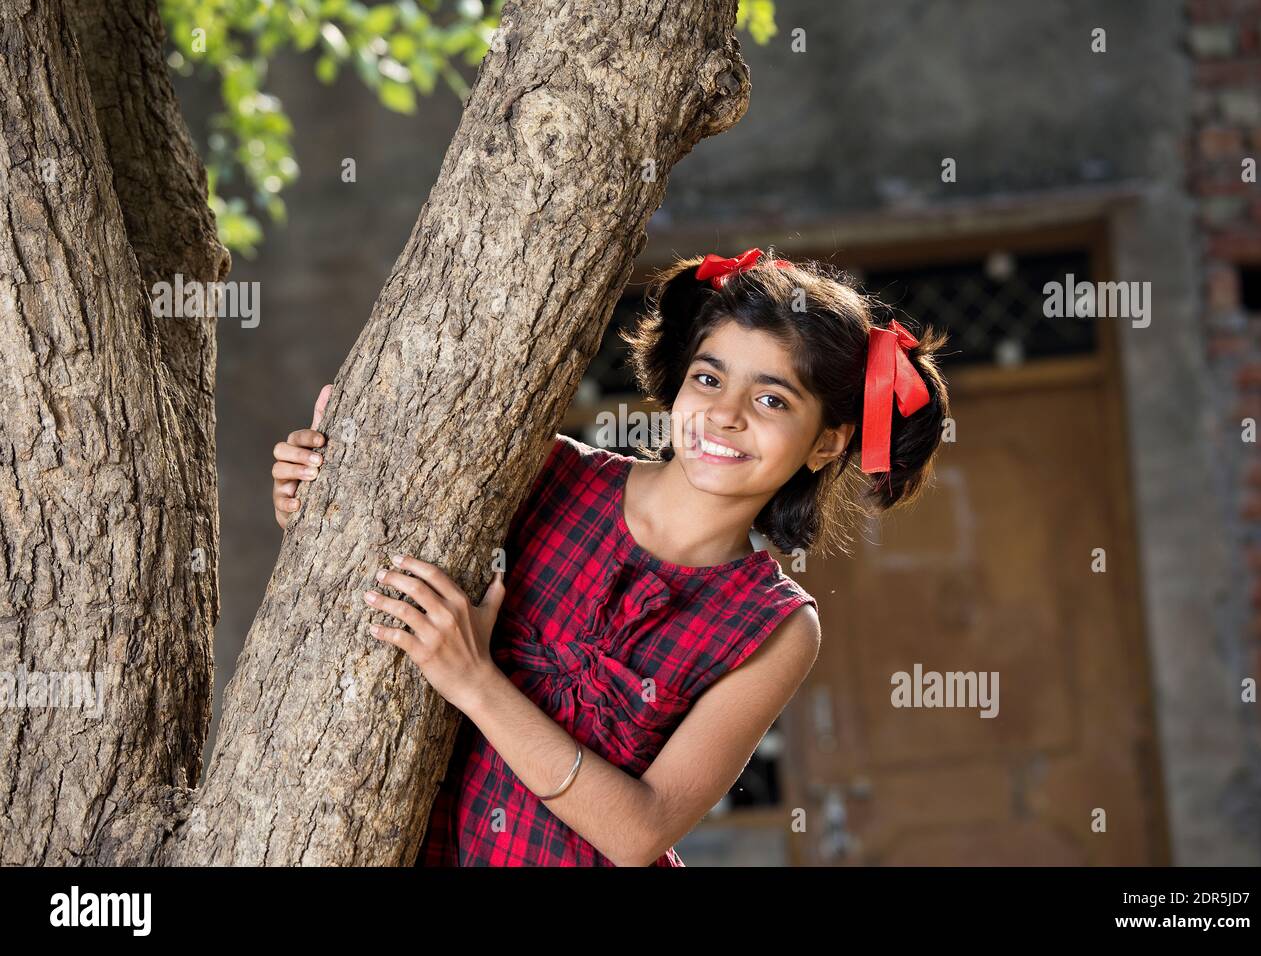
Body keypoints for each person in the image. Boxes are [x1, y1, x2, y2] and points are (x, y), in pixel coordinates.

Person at [270, 248, 950, 866]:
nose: (725, 414)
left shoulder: (775, 627)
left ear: (827, 444)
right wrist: (313, 502)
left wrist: (475, 681)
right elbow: (373, 578)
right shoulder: (543, 470)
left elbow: (638, 833)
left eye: (773, 399)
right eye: (709, 379)